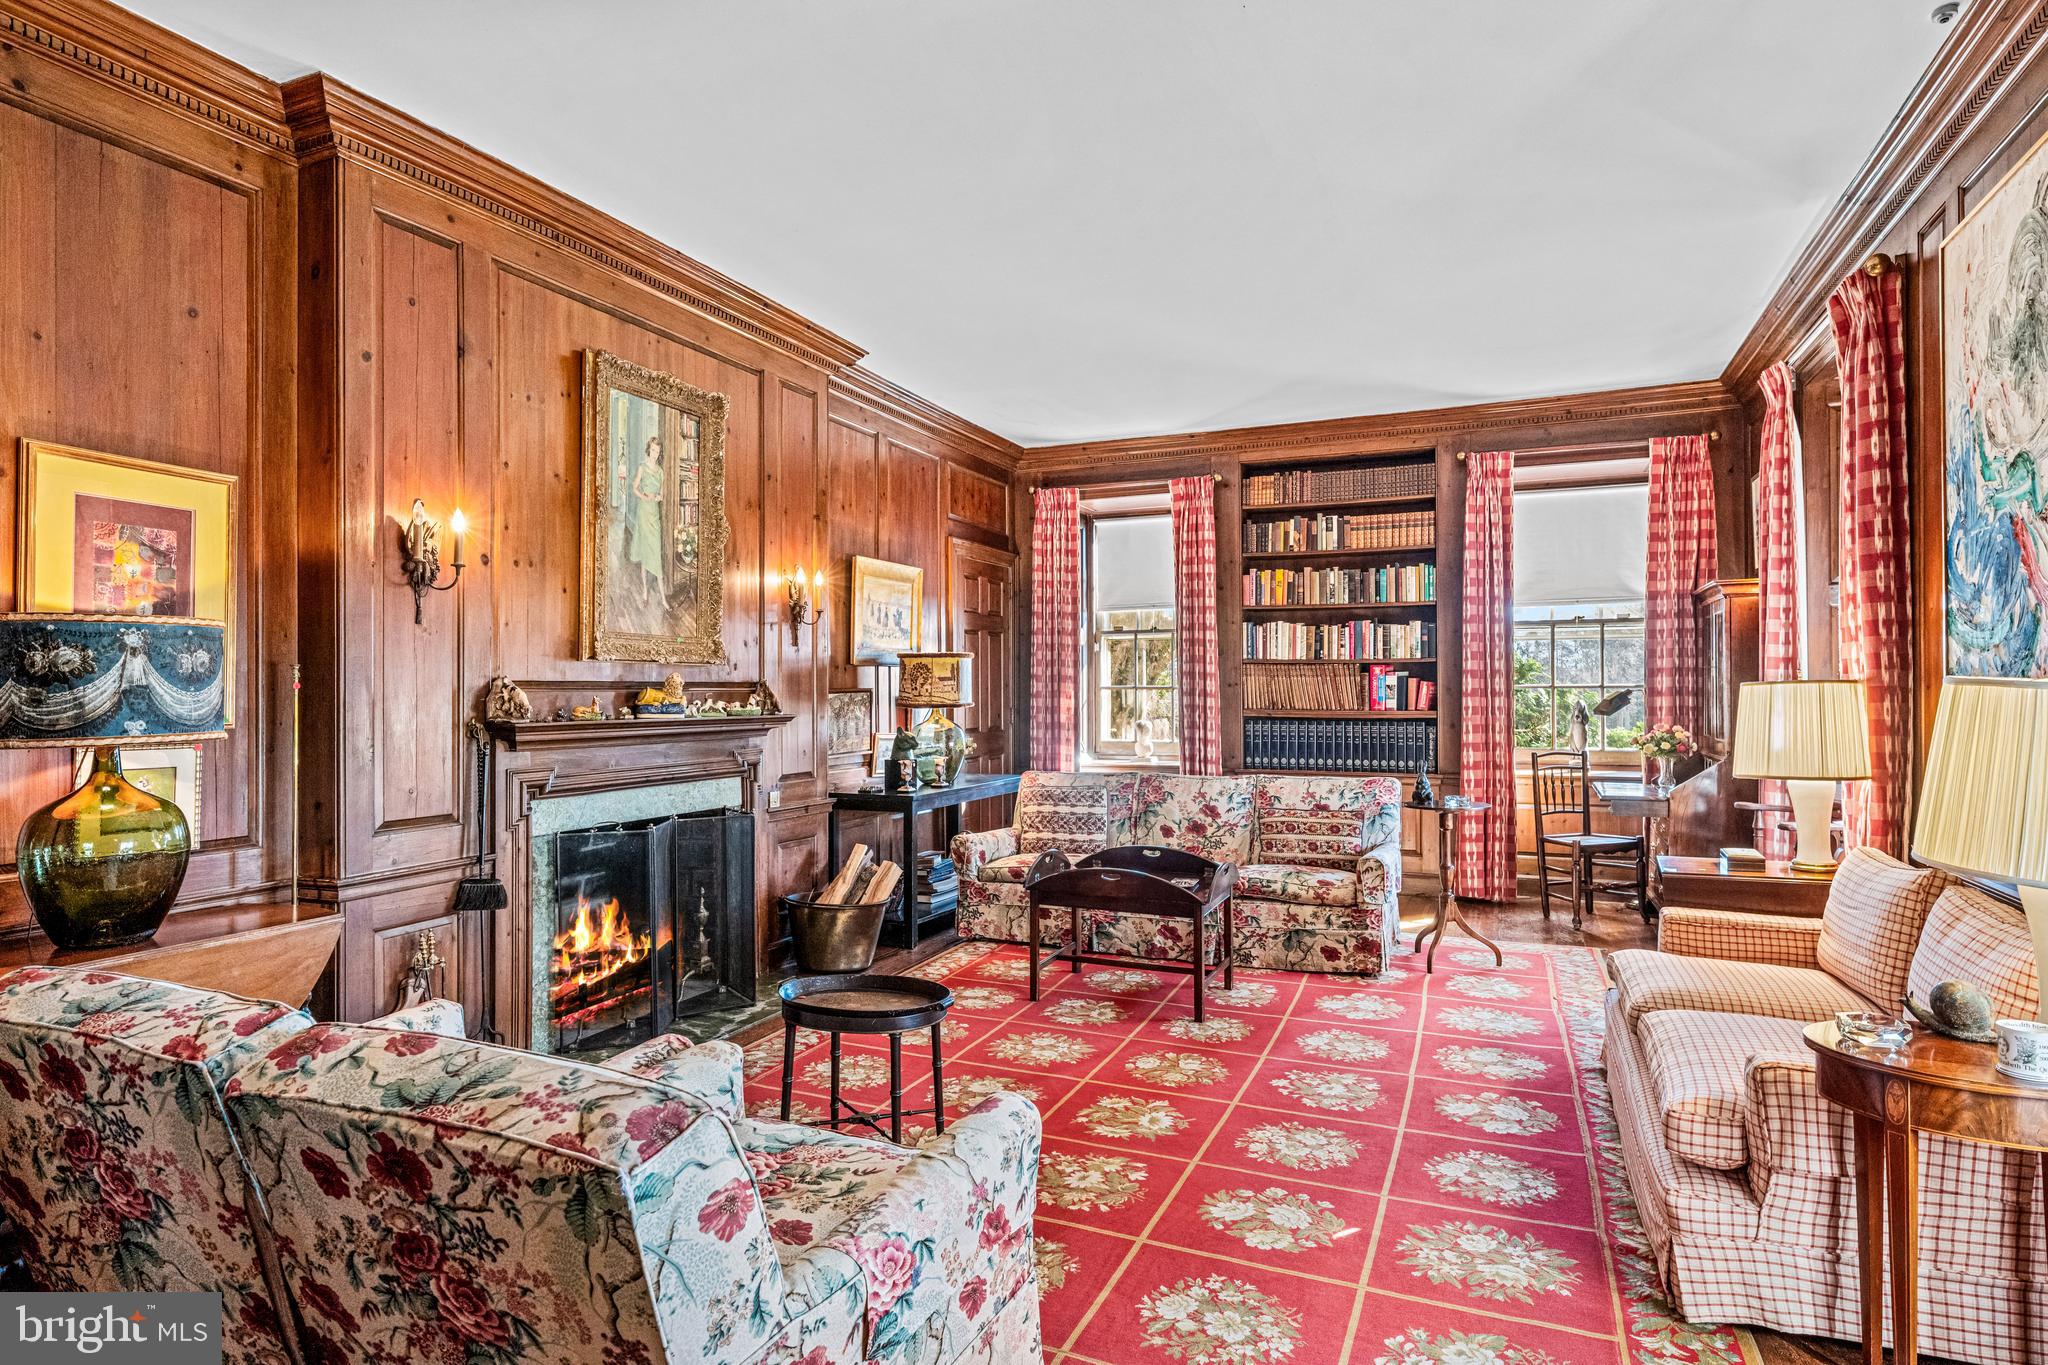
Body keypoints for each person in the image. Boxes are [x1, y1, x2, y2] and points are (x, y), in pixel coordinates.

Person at [627, 434, 667, 607]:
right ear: (648, 450)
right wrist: (644, 496)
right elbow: (634, 487)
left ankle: (664, 599)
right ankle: (644, 590)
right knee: (645, 552)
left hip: (654, 515)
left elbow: (662, 494)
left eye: (657, 451)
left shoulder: (660, 472)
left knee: (656, 553)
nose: (655, 454)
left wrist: (658, 497)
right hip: (644, 513)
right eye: (652, 450)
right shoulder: (642, 468)